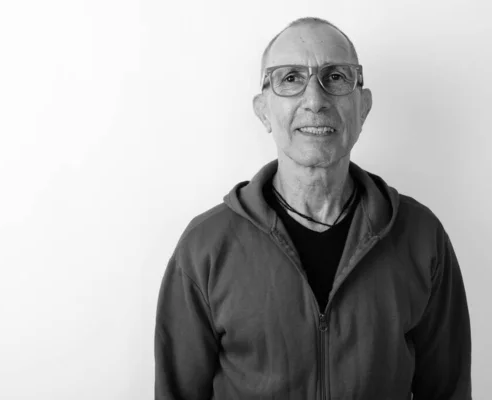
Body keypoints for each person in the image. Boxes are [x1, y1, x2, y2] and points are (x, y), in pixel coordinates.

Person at [154, 17, 471, 400]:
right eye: (290, 78)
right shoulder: (206, 246)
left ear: (363, 105)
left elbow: (448, 390)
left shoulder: (421, 236)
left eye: (336, 77)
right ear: (263, 110)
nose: (315, 100)